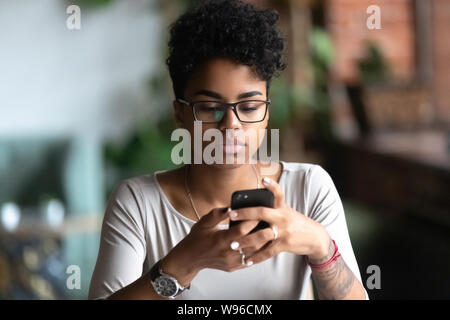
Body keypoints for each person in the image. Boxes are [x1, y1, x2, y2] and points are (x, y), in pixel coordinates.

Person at [88, 0, 368, 300]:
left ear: (267, 112)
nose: (231, 125)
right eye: (210, 108)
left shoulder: (309, 188)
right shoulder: (138, 204)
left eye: (249, 107)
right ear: (180, 114)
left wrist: (321, 246)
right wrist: (185, 261)